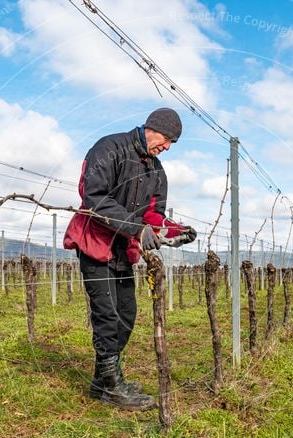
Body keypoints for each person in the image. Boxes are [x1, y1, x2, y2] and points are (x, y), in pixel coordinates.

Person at [63, 108, 197, 411]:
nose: (167, 147)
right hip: (95, 244)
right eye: (166, 139)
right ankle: (110, 386)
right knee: (107, 315)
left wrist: (174, 231)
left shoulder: (157, 172)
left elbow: (153, 215)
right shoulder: (109, 148)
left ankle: (104, 380)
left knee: (126, 314)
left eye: (173, 143)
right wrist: (137, 228)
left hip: (124, 251)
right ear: (152, 128)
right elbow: (93, 197)